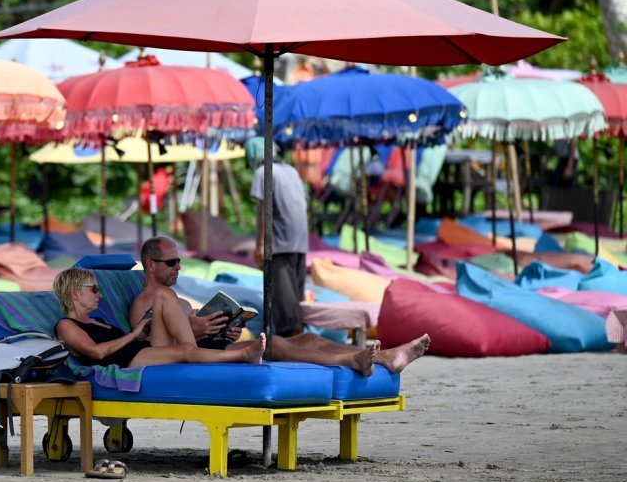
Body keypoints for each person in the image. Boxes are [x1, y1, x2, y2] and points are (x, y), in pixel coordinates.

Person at [131, 236, 430, 377]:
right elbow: (156, 347)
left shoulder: (178, 299)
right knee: (275, 344)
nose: (178, 267)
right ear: (150, 265)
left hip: (212, 347)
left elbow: (192, 334)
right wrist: (194, 332)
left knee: (309, 338)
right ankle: (357, 360)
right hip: (191, 360)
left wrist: (223, 327)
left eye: (179, 261)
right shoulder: (143, 303)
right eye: (171, 262)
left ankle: (383, 357)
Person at [53, 267, 265, 368]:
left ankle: (198, 346)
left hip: (139, 350)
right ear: (74, 293)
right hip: (127, 361)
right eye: (94, 289)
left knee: (165, 295)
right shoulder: (66, 325)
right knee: (185, 350)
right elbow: (96, 352)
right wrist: (134, 334)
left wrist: (140, 334)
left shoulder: (98, 321)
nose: (99, 294)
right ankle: (243, 355)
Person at [246, 138, 309, 337]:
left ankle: (293, 348)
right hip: (300, 242)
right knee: (294, 300)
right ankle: (298, 340)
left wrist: (261, 245)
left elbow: (265, 210)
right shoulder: (291, 171)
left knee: (285, 309)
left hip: (280, 243)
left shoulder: (263, 172)